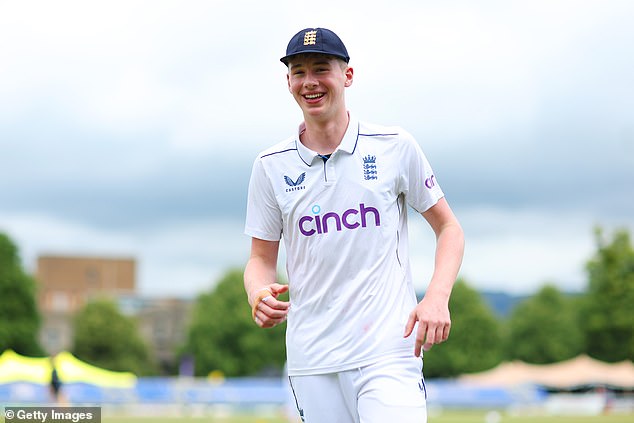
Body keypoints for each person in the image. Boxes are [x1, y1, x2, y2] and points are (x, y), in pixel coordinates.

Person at [244, 27, 464, 423]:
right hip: (312, 361)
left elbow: (449, 229)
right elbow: (260, 258)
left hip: (388, 352)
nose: (309, 82)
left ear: (347, 75)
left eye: (320, 69)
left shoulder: (394, 146)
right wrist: (257, 293)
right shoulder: (269, 166)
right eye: (298, 72)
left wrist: (436, 297)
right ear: (288, 81)